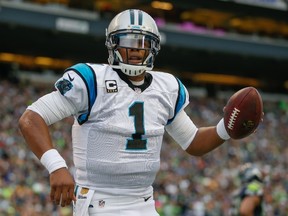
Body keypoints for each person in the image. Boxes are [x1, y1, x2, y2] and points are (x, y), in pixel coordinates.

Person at [18, 9, 259, 216]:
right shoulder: (92, 80)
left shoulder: (167, 87)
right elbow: (31, 118)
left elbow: (193, 141)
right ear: (113, 44)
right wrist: (56, 166)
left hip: (143, 203)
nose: (135, 50)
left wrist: (225, 129)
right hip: (98, 203)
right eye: (128, 42)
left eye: (142, 43)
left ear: (153, 48)